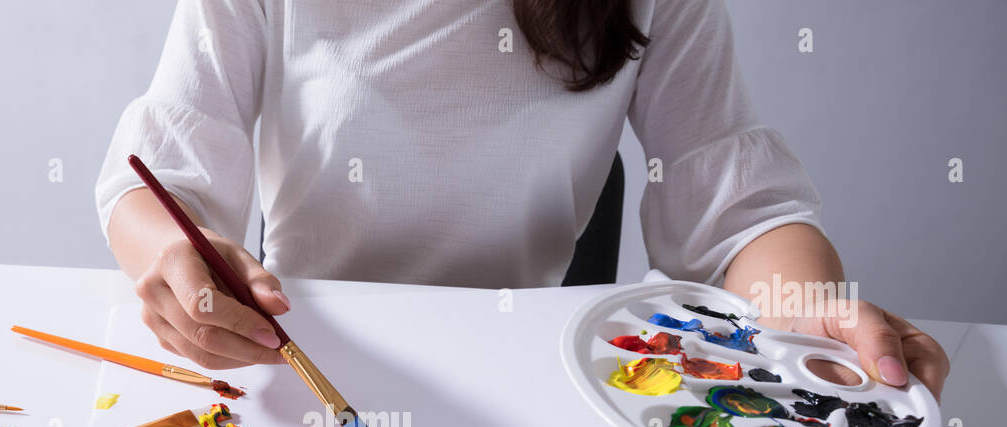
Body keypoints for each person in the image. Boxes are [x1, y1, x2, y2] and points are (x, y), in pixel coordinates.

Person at [96, 0, 949, 398]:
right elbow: (159, 184)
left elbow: (736, 211)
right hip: (309, 369)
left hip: (536, 387)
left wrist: (812, 308)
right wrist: (178, 262)